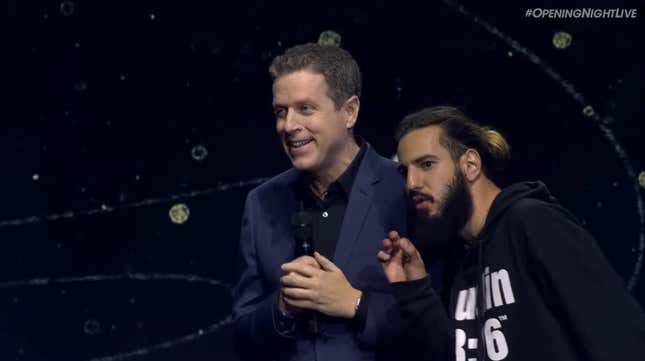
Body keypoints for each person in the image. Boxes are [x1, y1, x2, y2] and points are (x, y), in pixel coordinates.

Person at [378, 106, 645, 361]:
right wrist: (415, 291)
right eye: (405, 171)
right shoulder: (460, 260)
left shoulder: (532, 222)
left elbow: (619, 337)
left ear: (470, 165)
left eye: (426, 164)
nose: (412, 183)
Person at [232, 43, 411, 361]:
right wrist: (282, 307)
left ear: (350, 112)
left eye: (305, 109)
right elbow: (243, 333)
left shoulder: (404, 188)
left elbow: (443, 319)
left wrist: (355, 304)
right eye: (281, 111)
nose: (288, 126)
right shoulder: (261, 204)